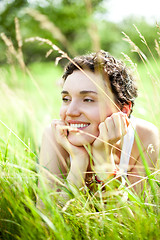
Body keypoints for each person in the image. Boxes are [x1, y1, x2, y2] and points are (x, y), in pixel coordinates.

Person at [39, 50, 159, 200]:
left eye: (88, 100)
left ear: (123, 110)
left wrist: (104, 157)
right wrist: (78, 163)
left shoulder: (144, 138)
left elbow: (129, 219)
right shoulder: (54, 136)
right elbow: (47, 219)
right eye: (66, 98)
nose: (70, 111)